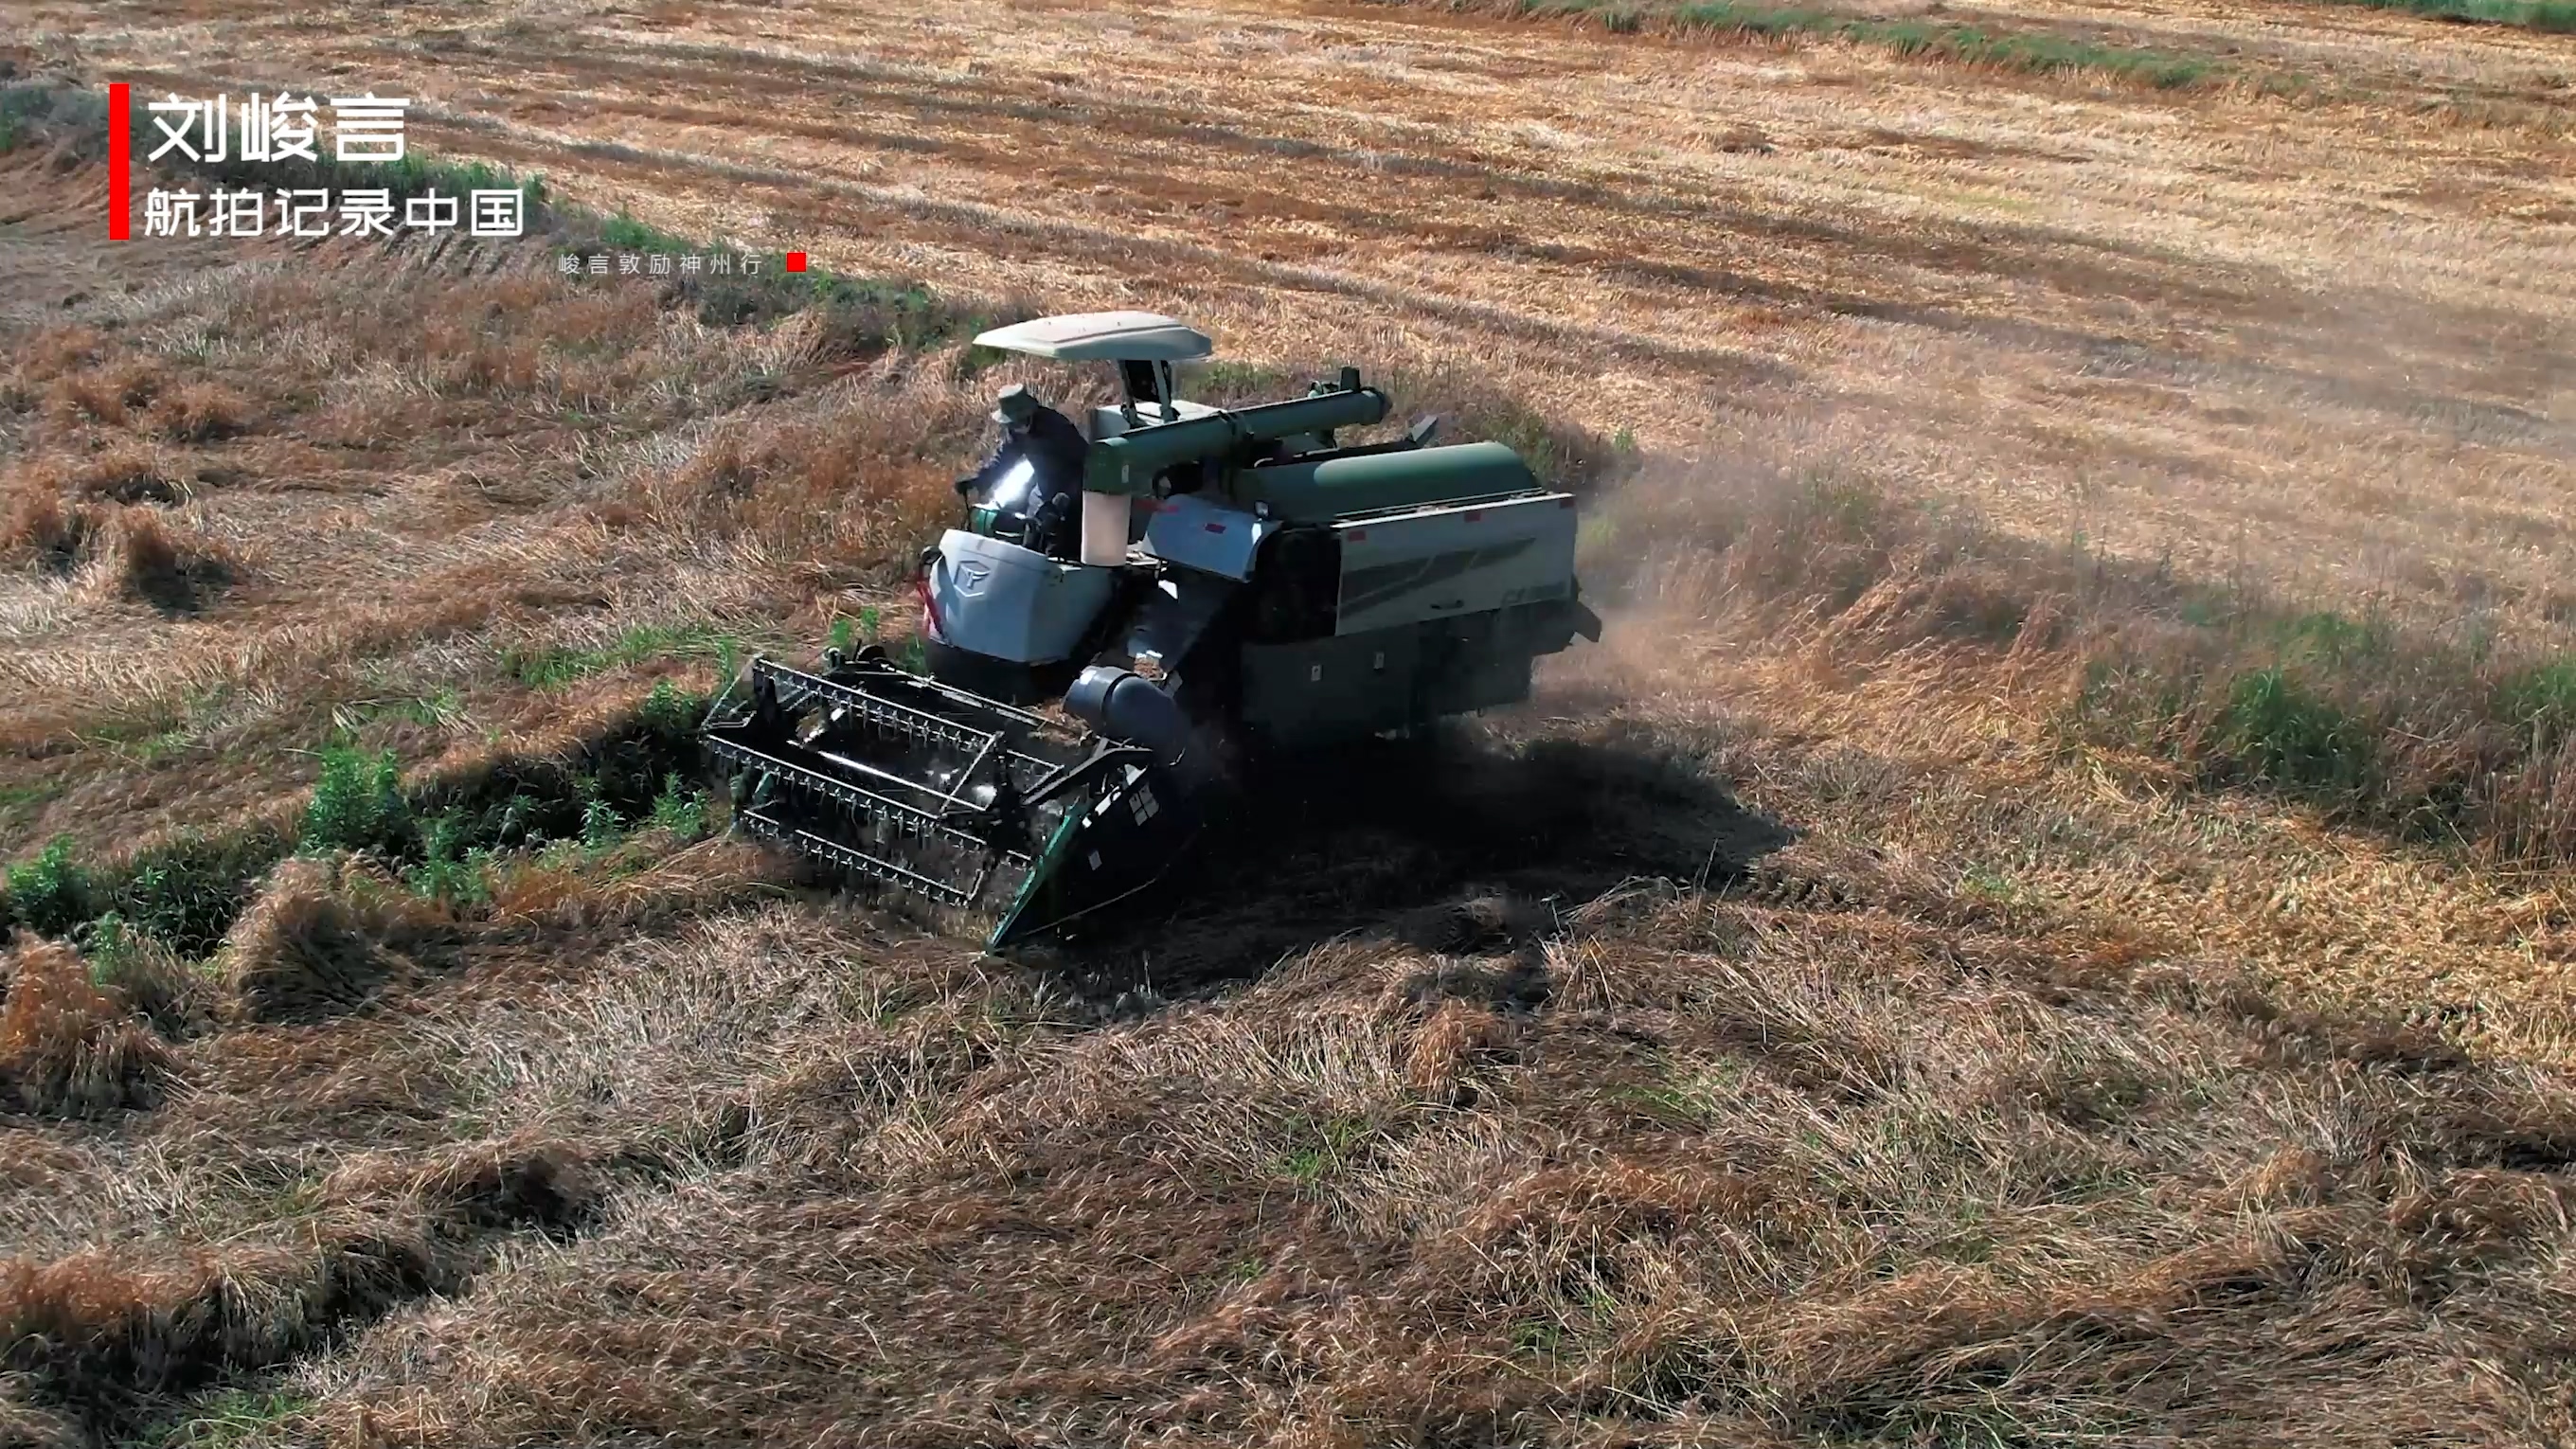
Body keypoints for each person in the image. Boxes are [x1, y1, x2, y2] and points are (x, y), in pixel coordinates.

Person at [958, 385, 1090, 557]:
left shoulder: (1058, 428)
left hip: (1070, 495)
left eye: (1018, 421)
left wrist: (1065, 499)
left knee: (1055, 552)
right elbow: (1004, 457)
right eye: (1011, 423)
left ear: (1029, 413)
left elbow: (1086, 465)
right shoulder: (1016, 431)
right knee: (1029, 546)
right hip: (1042, 491)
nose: (1015, 426)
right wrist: (980, 478)